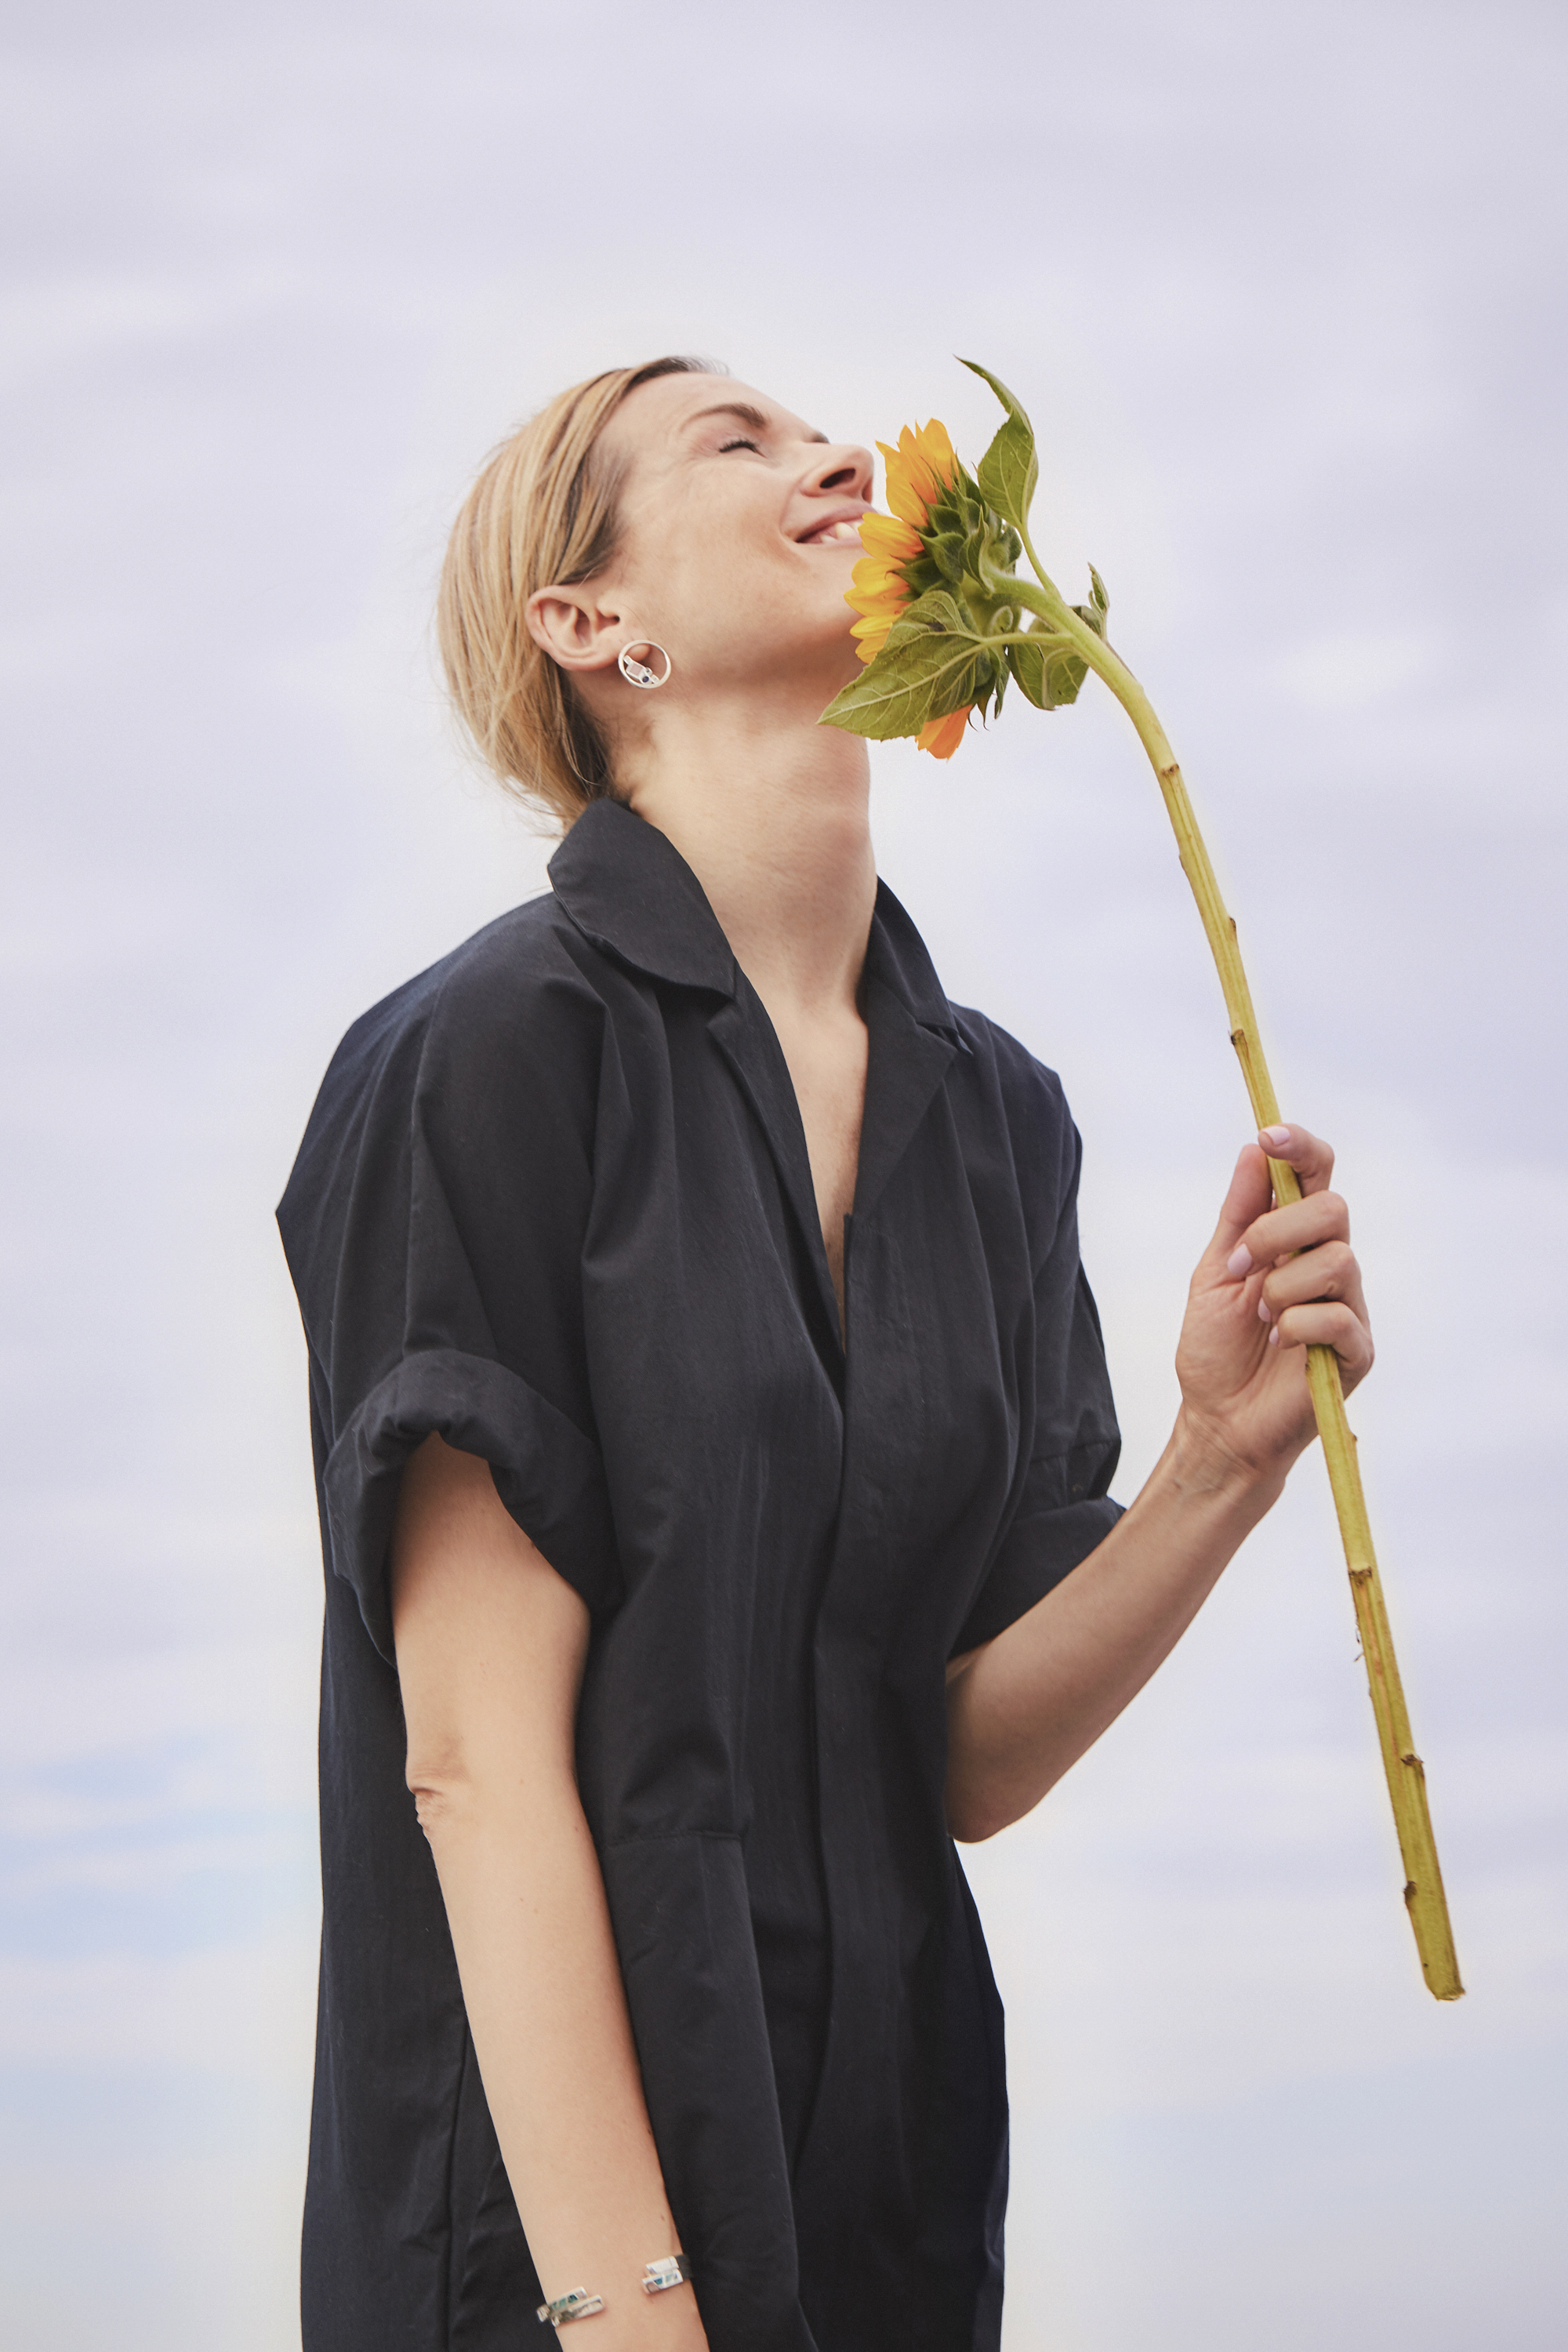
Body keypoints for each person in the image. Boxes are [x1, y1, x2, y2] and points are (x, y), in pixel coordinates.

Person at [277, 356, 1374, 2352]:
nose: (845, 459)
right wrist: (633, 2318)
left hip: (884, 2222)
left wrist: (1223, 1459)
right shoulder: (483, 1056)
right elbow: (472, 1761)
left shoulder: (999, 1122)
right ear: (593, 628)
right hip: (548, 2272)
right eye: (738, 439)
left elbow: (952, 1756)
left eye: (819, 431)